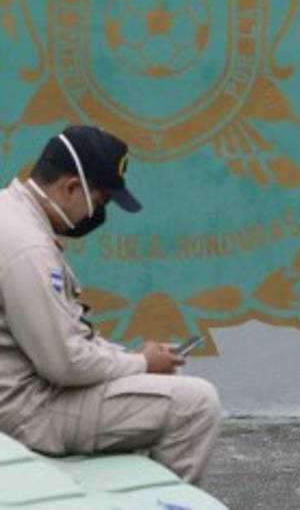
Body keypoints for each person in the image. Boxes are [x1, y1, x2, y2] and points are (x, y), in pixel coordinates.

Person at [0, 126, 221, 483]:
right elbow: (64, 362)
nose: (98, 215)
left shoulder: (11, 218)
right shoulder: (29, 248)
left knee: (160, 386)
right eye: (100, 203)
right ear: (71, 187)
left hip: (22, 397)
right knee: (195, 404)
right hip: (27, 412)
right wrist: (141, 361)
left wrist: (136, 362)